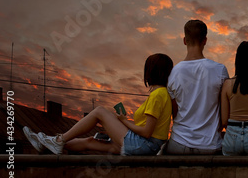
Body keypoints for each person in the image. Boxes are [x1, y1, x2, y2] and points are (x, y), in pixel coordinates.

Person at [23, 53, 174, 155]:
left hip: (144, 145)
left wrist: (124, 122)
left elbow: (147, 132)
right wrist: (123, 122)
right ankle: (47, 145)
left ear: (150, 71)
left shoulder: (158, 94)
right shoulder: (160, 94)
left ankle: (58, 140)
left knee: (100, 111)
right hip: (143, 145)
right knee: (90, 141)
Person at [165, 19, 229, 155]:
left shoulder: (173, 73)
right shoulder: (220, 70)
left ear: (184, 40)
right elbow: (225, 110)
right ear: (205, 40)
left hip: (179, 143)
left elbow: (174, 113)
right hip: (210, 145)